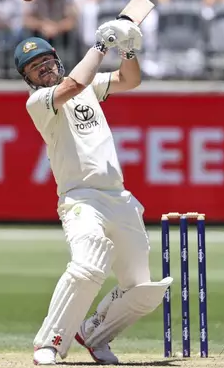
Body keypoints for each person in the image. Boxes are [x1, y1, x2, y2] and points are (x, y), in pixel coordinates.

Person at [14, 19, 173, 365]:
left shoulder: (87, 86)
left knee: (142, 290)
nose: (43, 70)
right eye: (34, 69)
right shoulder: (40, 102)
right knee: (88, 266)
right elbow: (75, 83)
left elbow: (129, 79)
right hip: (81, 198)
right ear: (28, 79)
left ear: (56, 59)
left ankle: (94, 333)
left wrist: (126, 48)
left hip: (118, 198)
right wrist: (102, 46)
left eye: (46, 62)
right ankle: (50, 343)